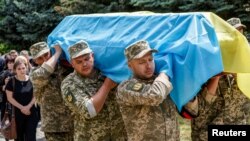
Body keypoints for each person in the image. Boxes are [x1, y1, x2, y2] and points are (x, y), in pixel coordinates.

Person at [61, 40, 126, 140]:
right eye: (79, 62)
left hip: (119, 136)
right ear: (72, 64)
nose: (84, 64)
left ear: (93, 56)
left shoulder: (106, 73)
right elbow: (88, 111)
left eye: (87, 59)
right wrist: (107, 86)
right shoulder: (69, 83)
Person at [116, 40, 179, 141]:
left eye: (150, 59)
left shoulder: (159, 82)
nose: (148, 66)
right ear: (130, 66)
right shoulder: (126, 87)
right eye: (142, 62)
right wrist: (165, 72)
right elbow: (155, 95)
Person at [29, 42, 73, 141]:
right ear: (35, 60)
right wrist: (57, 53)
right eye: (40, 58)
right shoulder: (35, 73)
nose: (45, 59)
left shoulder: (64, 68)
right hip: (53, 126)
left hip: (73, 122)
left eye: (46, 54)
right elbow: (44, 73)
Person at [190, 73, 250, 141]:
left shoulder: (244, 74)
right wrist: (216, 77)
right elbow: (194, 111)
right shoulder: (201, 71)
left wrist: (239, 75)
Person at [5, 59, 38, 141]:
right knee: (19, 137)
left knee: (31, 136)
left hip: (31, 112)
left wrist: (28, 107)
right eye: (19, 69)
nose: (22, 70)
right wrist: (22, 108)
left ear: (26, 68)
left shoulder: (32, 80)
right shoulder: (11, 81)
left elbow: (36, 95)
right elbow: (10, 98)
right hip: (17, 114)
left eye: (23, 68)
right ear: (15, 70)